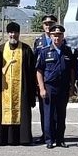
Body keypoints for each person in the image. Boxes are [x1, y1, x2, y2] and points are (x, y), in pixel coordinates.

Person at [0, 21, 37, 146]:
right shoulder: (1, 49)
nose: (13, 35)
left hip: (21, 88)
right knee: (4, 111)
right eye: (11, 32)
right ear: (8, 34)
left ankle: (23, 138)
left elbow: (31, 71)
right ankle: (3, 139)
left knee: (22, 112)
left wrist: (31, 92)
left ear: (19, 33)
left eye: (16, 32)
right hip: (4, 89)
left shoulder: (25, 49)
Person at [36, 24, 76, 148]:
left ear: (63, 36)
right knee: (48, 115)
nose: (57, 38)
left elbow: (72, 70)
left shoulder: (68, 51)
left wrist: (72, 86)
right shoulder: (45, 51)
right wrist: (41, 88)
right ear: (51, 36)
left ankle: (60, 139)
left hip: (63, 87)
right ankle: (49, 140)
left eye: (59, 35)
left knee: (61, 114)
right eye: (54, 35)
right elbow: (39, 71)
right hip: (49, 87)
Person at [33, 14, 57, 143]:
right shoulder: (39, 41)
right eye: (46, 24)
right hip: (42, 80)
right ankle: (45, 134)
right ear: (43, 26)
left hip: (56, 81)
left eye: (51, 24)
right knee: (44, 110)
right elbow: (35, 63)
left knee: (56, 112)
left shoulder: (60, 39)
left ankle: (56, 134)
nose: (49, 26)